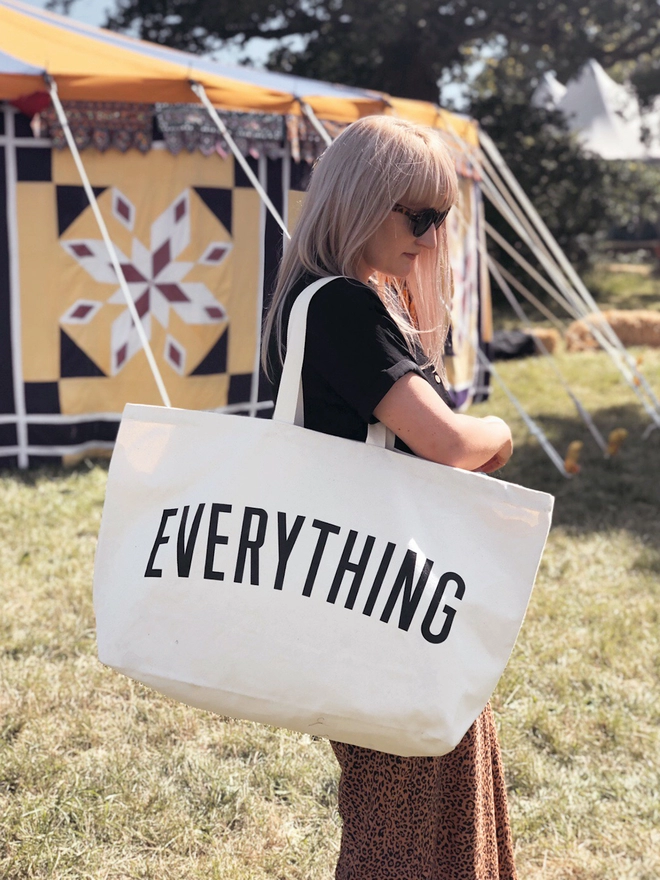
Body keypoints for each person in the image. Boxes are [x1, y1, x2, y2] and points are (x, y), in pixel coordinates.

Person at [263, 116, 516, 880]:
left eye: (441, 217)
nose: (433, 235)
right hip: (386, 605)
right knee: (410, 816)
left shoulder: (308, 299)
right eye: (421, 214)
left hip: (362, 590)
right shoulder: (343, 305)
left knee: (413, 798)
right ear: (365, 197)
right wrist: (498, 430)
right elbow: (444, 442)